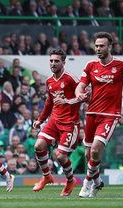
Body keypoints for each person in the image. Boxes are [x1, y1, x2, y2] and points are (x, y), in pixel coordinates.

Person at [75, 32, 123, 198]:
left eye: (102, 46)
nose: (98, 49)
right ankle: (97, 183)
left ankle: (87, 184)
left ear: (109, 46)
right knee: (88, 154)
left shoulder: (122, 64)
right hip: (91, 114)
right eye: (96, 46)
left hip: (110, 115)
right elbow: (80, 86)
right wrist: (79, 94)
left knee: (96, 150)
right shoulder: (90, 65)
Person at [32, 48, 82, 196]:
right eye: (51, 61)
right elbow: (49, 103)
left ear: (63, 62)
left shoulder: (71, 79)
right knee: (38, 146)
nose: (53, 63)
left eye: (56, 61)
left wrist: (67, 101)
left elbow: (85, 96)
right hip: (53, 121)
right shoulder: (49, 81)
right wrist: (40, 120)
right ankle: (47, 176)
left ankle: (70, 180)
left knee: (60, 156)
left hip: (70, 124)